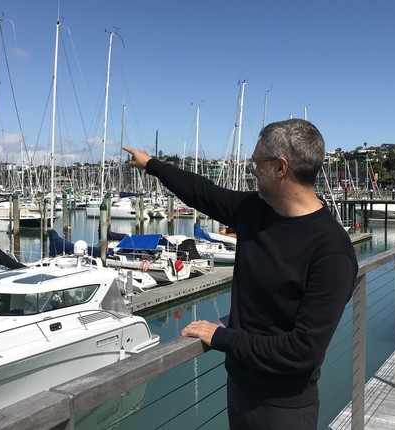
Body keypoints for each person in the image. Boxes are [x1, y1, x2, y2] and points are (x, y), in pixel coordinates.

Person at [124, 119, 358, 430]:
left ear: (279, 168)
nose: (252, 170)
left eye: (255, 162)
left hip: (283, 408)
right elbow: (202, 192)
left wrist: (221, 337)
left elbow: (302, 352)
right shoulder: (255, 211)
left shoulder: (331, 251)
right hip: (240, 390)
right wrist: (152, 164)